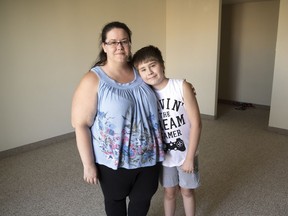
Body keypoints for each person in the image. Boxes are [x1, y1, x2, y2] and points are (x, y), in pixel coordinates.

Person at [71, 22, 164, 216]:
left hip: (149, 157)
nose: (119, 46)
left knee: (142, 200)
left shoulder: (141, 71)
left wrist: (186, 91)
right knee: (115, 202)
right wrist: (88, 165)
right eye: (113, 42)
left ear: (130, 44)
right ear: (104, 46)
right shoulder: (93, 79)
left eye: (124, 41)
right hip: (113, 163)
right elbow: (80, 124)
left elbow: (164, 88)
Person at [132, 45, 202, 216]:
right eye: (143, 69)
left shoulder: (181, 86)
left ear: (162, 64)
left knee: (187, 191)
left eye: (152, 65)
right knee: (169, 193)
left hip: (187, 153)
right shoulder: (144, 93)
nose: (149, 71)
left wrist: (190, 158)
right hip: (164, 157)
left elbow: (196, 124)